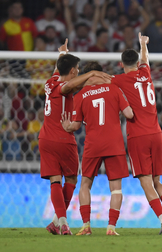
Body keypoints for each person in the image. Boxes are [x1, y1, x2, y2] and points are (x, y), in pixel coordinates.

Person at [91, 33, 162, 235]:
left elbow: (101, 79)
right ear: (137, 62)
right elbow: (146, 59)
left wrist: (89, 76)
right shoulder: (146, 73)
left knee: (145, 182)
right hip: (156, 133)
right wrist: (143, 44)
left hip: (138, 135)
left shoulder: (120, 80)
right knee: (157, 181)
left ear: (121, 63)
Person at [39, 39, 111, 235]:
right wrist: (92, 73)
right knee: (70, 179)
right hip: (63, 138)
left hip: (45, 138)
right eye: (77, 69)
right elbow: (69, 85)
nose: (79, 71)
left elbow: (59, 71)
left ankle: (57, 221)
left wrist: (62, 53)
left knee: (55, 180)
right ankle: (63, 222)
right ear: (72, 71)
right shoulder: (63, 87)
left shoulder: (50, 82)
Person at [61, 61, 133, 236]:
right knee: (116, 188)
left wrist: (66, 126)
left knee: (85, 185)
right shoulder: (115, 89)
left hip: (93, 145)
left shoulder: (80, 95)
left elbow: (76, 126)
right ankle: (111, 228)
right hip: (114, 144)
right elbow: (130, 114)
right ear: (101, 74)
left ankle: (86, 226)